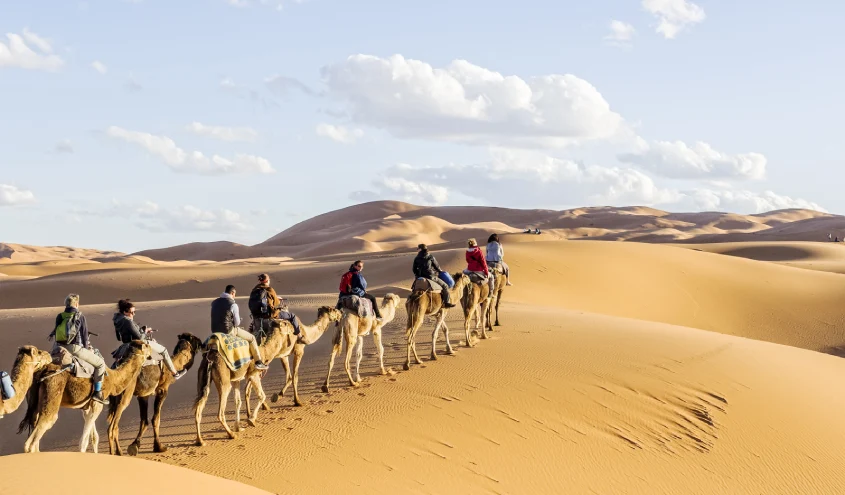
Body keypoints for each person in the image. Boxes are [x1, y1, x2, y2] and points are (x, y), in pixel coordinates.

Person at [50, 294, 109, 404]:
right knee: (100, 363)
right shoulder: (79, 316)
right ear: (76, 304)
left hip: (59, 347)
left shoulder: (60, 316)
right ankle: (97, 392)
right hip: (74, 348)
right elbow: (85, 336)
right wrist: (86, 349)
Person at [113, 299, 186, 380]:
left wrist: (140, 330)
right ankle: (175, 374)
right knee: (164, 351)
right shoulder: (128, 321)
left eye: (134, 312)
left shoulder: (117, 320)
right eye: (131, 312)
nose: (133, 314)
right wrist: (145, 331)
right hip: (137, 342)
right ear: (125, 312)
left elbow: (119, 338)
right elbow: (140, 337)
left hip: (125, 345)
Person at [211, 285, 268, 370]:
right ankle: (258, 362)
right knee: (252, 338)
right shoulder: (233, 304)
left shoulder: (214, 302)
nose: (235, 296)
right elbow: (237, 323)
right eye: (235, 294)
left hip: (215, 331)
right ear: (233, 293)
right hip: (228, 331)